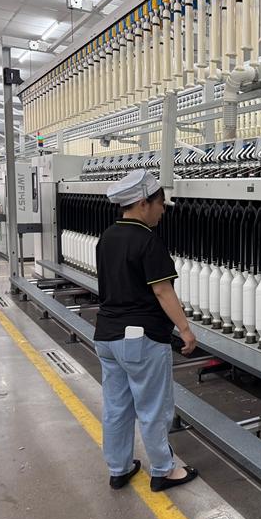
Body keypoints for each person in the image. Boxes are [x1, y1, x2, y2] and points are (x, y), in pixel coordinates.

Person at [93, 169, 198, 492]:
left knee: (116, 407)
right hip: (140, 339)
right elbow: (163, 291)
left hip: (107, 337)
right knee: (153, 408)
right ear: (143, 203)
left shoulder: (107, 237)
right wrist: (185, 329)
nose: (163, 211)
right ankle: (164, 470)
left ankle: (119, 468)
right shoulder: (148, 241)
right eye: (160, 204)